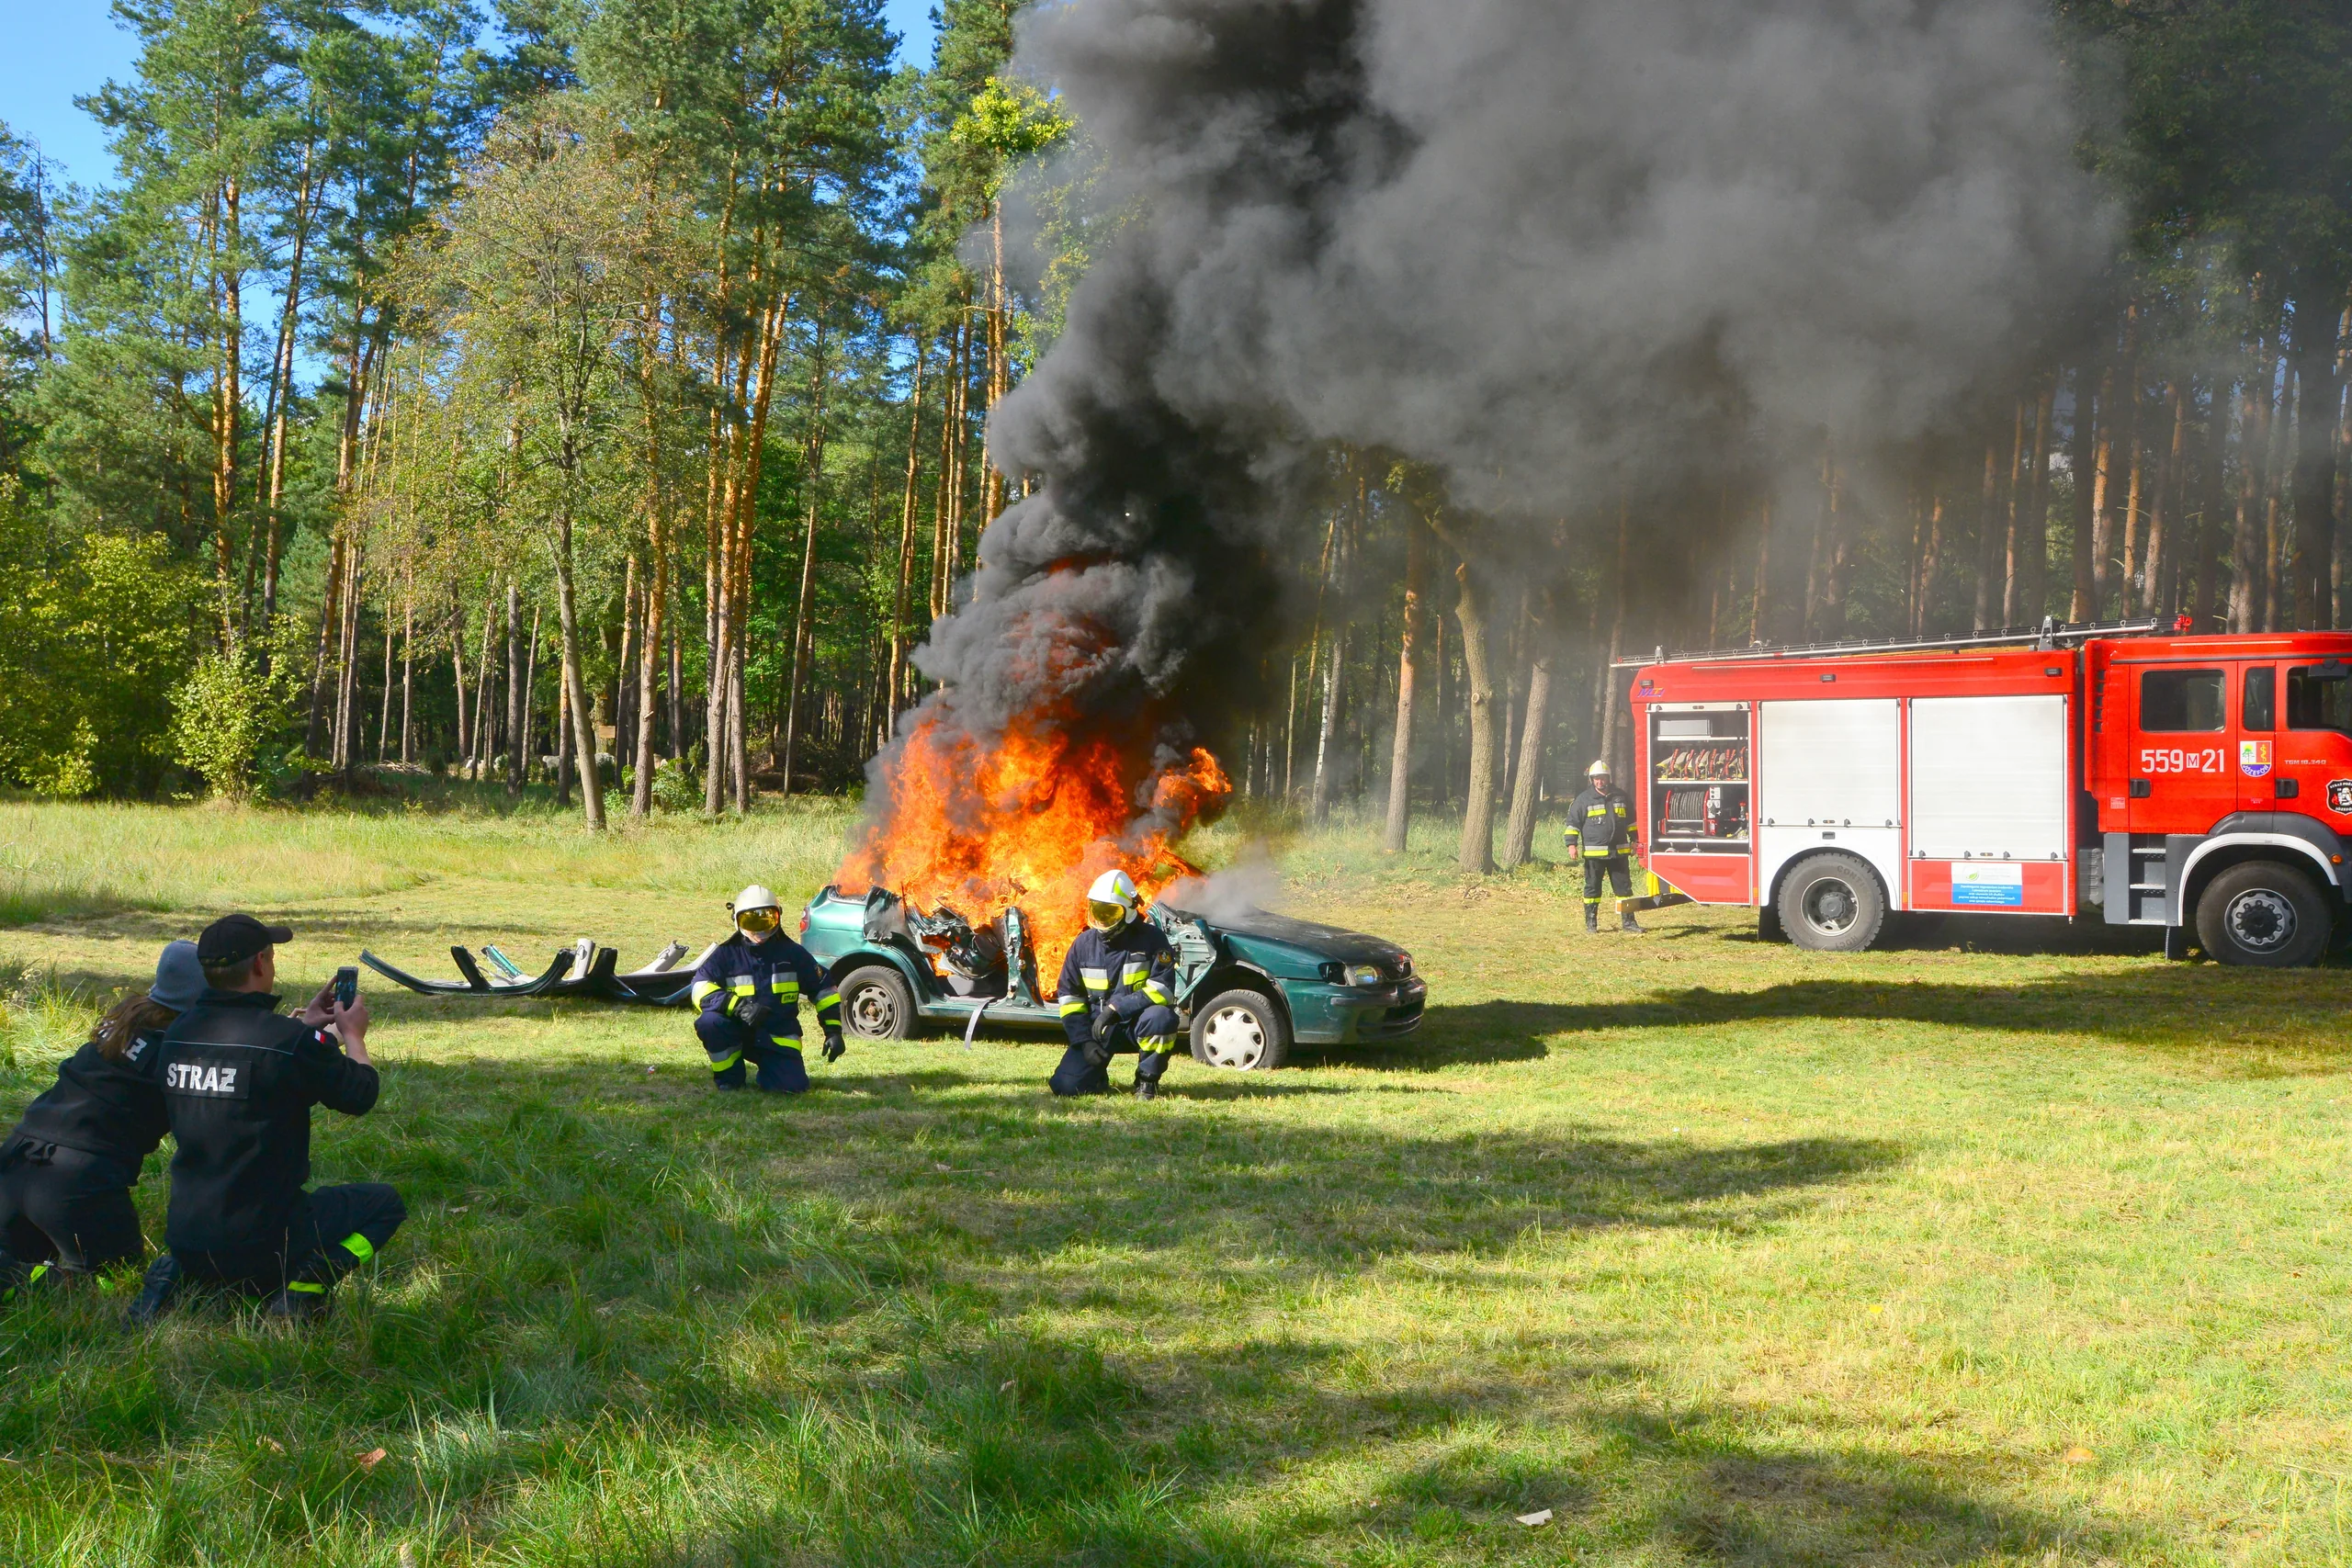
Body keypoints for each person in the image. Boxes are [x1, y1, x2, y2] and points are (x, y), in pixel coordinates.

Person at [128, 914, 405, 1325]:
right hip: (266, 1241)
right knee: (385, 1206)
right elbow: (360, 1094)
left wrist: (303, 1028)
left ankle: (178, 1278)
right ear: (260, 963)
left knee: (210, 1254)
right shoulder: (289, 1043)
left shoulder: (177, 1034)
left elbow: (246, 1053)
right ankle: (305, 1290)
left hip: (187, 1235)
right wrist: (353, 1036)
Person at [0, 941, 200, 1295]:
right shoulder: (180, 1049)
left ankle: (15, 1273)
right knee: (115, 1283)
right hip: (75, 1182)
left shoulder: (125, 1021)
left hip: (16, 1159)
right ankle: (15, 1277)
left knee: (27, 1262)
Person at [688, 886, 843, 1093]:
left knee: (792, 1088)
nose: (760, 931)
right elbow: (699, 988)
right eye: (751, 923)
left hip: (778, 1035)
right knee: (710, 1022)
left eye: (767, 921)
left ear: (778, 918)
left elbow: (824, 989)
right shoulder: (725, 955)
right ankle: (730, 1079)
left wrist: (833, 1031)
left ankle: (772, 1072)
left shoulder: (793, 954)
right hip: (737, 1031)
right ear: (736, 921)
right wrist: (739, 1007)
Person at [1051, 870, 1182, 1100]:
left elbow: (1162, 989)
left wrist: (1117, 1009)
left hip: (1137, 1023)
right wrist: (1084, 1041)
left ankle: (1147, 1081)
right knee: (1066, 1087)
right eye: (1098, 910)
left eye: (1110, 912)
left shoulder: (1153, 939)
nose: (1102, 919)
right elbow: (1070, 998)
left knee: (1161, 1017)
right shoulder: (1082, 945)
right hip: (1098, 1028)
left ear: (1128, 912)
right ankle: (1096, 1077)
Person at [1566, 758, 1644, 934]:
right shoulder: (1583, 799)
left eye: (1602, 778)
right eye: (1596, 778)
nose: (1599, 781)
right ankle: (1591, 924)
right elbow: (1572, 824)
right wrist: (1571, 845)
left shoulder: (1621, 797)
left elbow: (1631, 822)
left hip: (1619, 853)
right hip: (1594, 856)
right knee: (1592, 889)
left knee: (1624, 889)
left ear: (1609, 778)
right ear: (1592, 780)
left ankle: (1629, 923)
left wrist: (1635, 840)